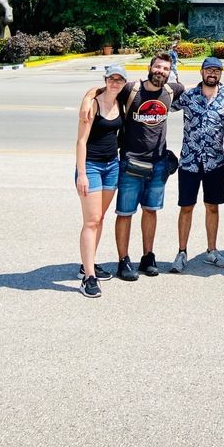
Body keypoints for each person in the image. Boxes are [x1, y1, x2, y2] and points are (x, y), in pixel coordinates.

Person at [80, 52, 185, 282]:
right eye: (157, 67)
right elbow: (106, 88)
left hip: (158, 162)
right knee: (125, 213)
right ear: (150, 67)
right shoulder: (132, 89)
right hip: (130, 161)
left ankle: (148, 256)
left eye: (165, 69)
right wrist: (89, 97)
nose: (161, 71)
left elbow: (200, 92)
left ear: (170, 72)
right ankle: (123, 260)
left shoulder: (172, 91)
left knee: (151, 210)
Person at [169, 57, 224, 274]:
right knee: (186, 207)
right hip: (189, 161)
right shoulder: (188, 96)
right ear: (201, 72)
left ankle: (212, 251)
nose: (212, 74)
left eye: (217, 70)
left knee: (212, 207)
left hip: (215, 162)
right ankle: (181, 252)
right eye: (209, 70)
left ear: (221, 74)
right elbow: (164, 104)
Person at [74, 64, 127, 298]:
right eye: (111, 79)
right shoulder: (93, 104)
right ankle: (88, 278)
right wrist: (82, 173)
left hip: (112, 166)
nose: (115, 83)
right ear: (105, 80)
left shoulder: (122, 100)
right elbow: (81, 142)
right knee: (91, 221)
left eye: (119, 79)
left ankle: (88, 263)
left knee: (100, 218)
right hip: (92, 167)